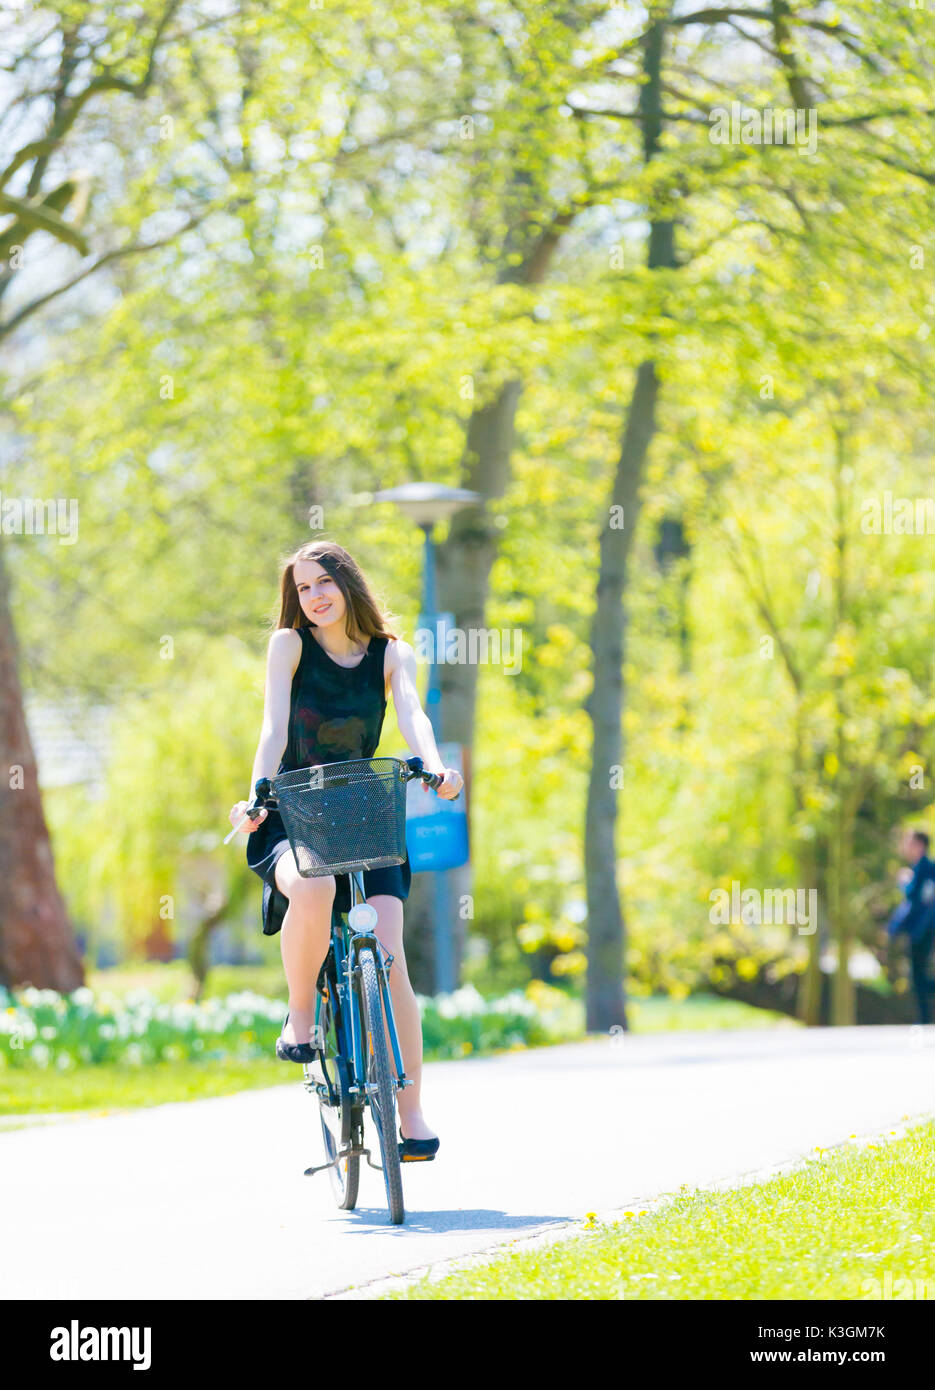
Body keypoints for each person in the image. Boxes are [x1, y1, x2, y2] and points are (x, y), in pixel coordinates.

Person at [229, 540, 463, 1161]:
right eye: (302, 589)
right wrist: (257, 792)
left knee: (389, 958)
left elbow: (414, 715)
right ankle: (301, 1018)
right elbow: (274, 729)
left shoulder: (392, 654)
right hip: (293, 810)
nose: (314, 597)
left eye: (323, 582)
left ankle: (410, 1115)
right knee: (313, 885)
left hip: (364, 811)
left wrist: (436, 768)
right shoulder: (290, 647)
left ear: (347, 582)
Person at [887, 829, 935, 1025]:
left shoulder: (927, 869)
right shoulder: (917, 869)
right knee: (917, 975)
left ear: (920, 845)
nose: (906, 847)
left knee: (919, 975)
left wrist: (905, 884)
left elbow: (922, 900)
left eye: (910, 842)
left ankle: (924, 1019)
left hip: (923, 929)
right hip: (917, 929)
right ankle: (923, 1019)